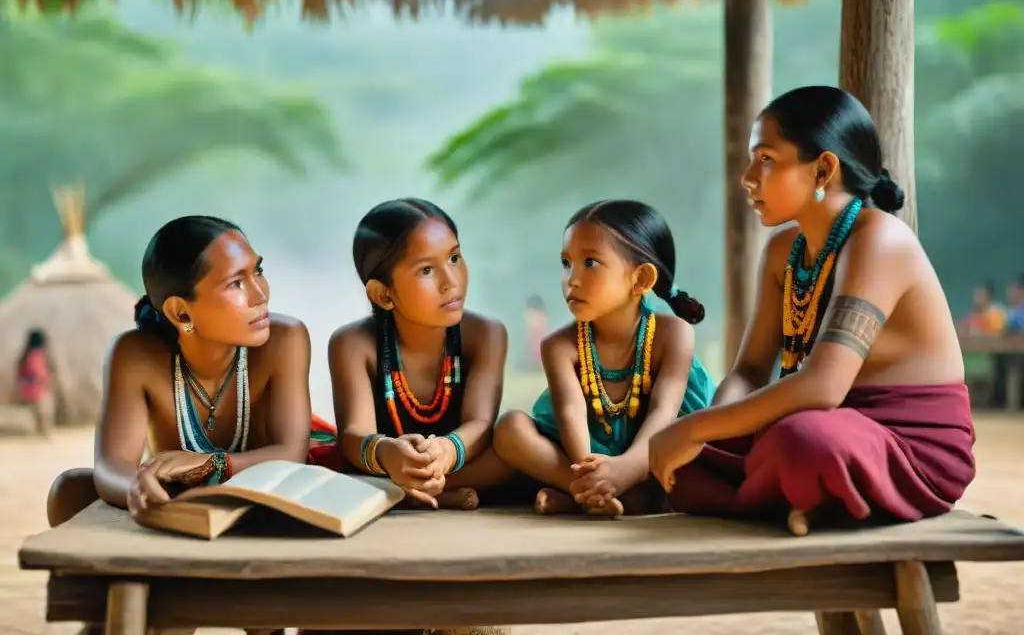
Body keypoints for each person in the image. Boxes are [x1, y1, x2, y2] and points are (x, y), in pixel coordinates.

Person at [650, 86, 976, 537]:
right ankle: (807, 498)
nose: (747, 177)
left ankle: (799, 489)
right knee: (690, 462)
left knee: (800, 443)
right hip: (823, 419)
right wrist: (705, 436)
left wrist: (693, 430)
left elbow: (823, 385)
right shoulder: (784, 250)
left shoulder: (880, 240)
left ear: (823, 167)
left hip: (907, 447)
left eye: (765, 159)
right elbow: (748, 370)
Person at [46, 216, 319, 635]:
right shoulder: (135, 354)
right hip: (177, 511)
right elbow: (111, 466)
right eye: (236, 283)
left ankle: (263, 622)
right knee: (70, 489)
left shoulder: (285, 340)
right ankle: (112, 616)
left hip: (260, 509)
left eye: (258, 271)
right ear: (180, 311)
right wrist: (139, 488)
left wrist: (207, 466)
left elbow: (290, 454)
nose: (261, 293)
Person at [493, 200, 715, 517]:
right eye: (566, 263)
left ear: (640, 280)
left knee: (697, 448)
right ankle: (594, 493)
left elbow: (663, 414)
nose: (572, 278)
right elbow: (570, 414)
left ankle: (599, 494)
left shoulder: (673, 335)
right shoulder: (559, 346)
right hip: (583, 457)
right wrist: (592, 472)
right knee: (510, 428)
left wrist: (625, 469)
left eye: (590, 263)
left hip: (653, 451)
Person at [321, 198, 514, 510]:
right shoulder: (353, 343)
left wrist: (446, 451)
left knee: (514, 441)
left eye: (454, 258)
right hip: (388, 469)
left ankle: (423, 490)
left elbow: (479, 422)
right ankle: (416, 489)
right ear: (384, 294)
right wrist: (387, 451)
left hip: (464, 464)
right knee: (348, 468)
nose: (451, 281)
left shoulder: (485, 333)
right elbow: (355, 434)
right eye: (427, 270)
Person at [13, 328, 52, 436]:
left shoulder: (25, 356)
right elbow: (37, 374)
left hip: (23, 390)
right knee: (45, 408)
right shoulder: (37, 355)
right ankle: (43, 431)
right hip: (34, 391)